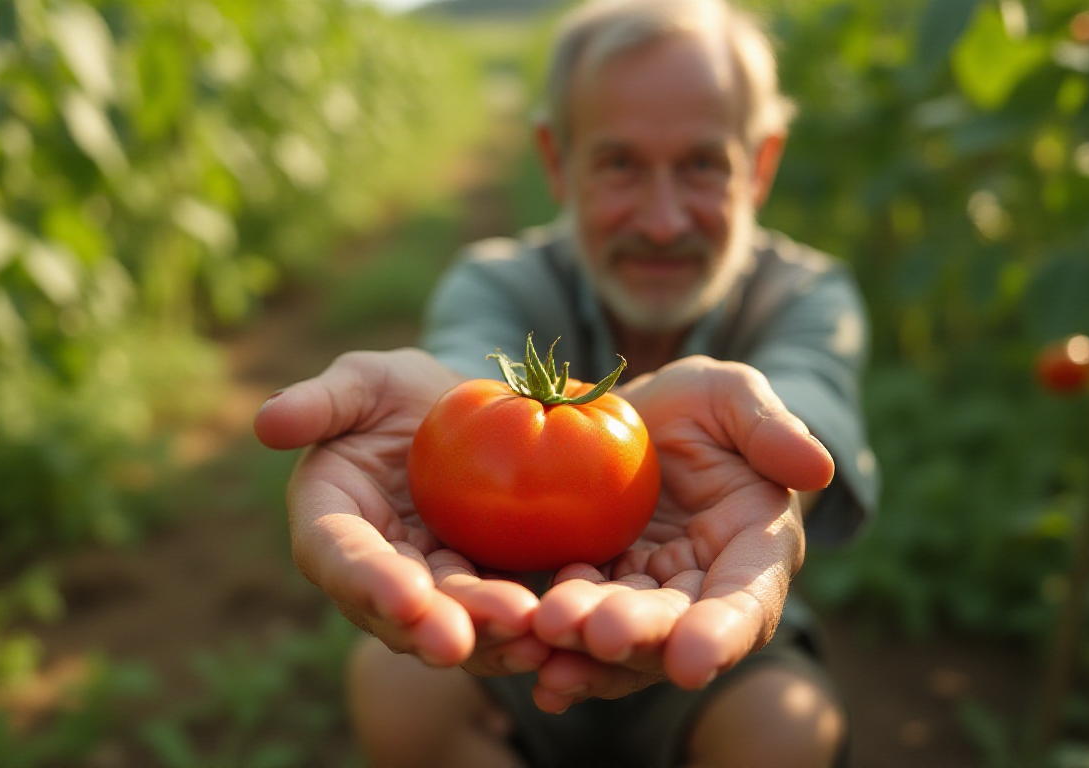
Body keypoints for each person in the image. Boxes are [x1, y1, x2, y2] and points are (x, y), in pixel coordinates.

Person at [253, 0, 878, 765]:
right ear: (556, 160)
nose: (660, 219)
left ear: (762, 164)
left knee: (786, 729)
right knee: (397, 693)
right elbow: (466, 378)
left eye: (702, 164)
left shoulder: (806, 295)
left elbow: (806, 415)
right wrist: (462, 427)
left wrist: (762, 461)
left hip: (708, 636)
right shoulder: (499, 281)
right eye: (619, 164)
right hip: (503, 627)